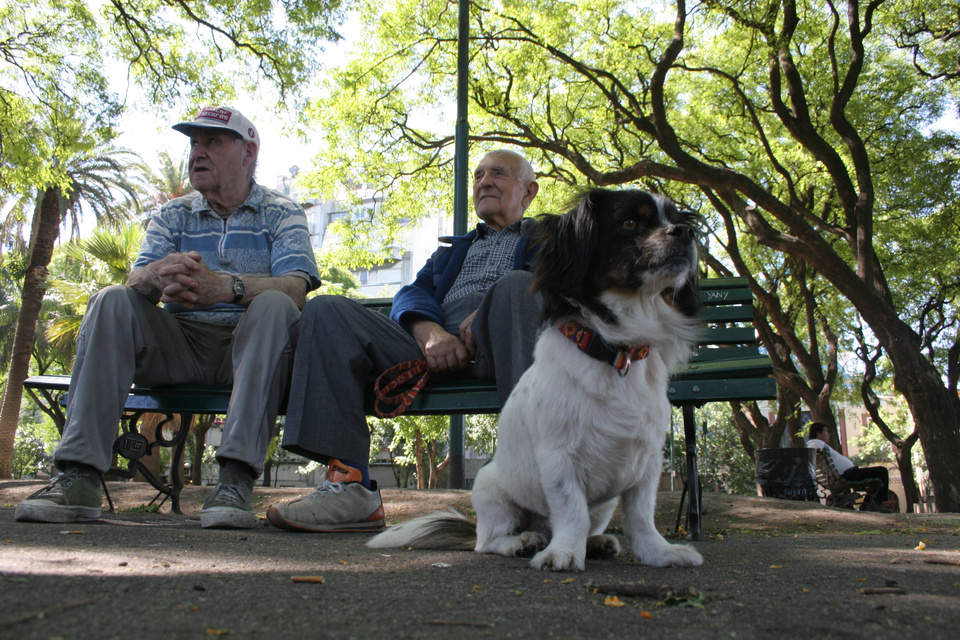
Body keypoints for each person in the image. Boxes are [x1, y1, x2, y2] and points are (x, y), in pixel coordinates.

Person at [16, 105, 321, 529]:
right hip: (179, 345)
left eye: (212, 142)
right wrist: (158, 274)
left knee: (275, 304)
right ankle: (79, 476)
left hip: (251, 347)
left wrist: (227, 287)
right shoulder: (173, 214)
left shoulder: (281, 212)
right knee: (111, 300)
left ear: (248, 152)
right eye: (194, 142)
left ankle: (234, 480)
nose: (197, 152)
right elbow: (137, 278)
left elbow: (296, 287)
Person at [267, 149, 541, 532]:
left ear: (528, 192)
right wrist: (430, 334)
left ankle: (535, 486)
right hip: (432, 347)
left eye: (498, 173)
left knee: (516, 288)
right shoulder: (451, 252)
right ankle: (350, 489)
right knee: (326, 310)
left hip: (505, 342)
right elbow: (411, 294)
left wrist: (490, 310)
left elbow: (566, 287)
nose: (483, 182)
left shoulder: (551, 237)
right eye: (478, 175)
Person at [806, 421, 892, 512]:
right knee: (882, 471)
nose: (828, 434)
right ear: (818, 433)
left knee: (877, 476)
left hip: (847, 474)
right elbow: (813, 449)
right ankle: (876, 503)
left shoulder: (819, 443)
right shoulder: (816, 443)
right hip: (847, 475)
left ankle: (868, 504)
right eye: (826, 431)